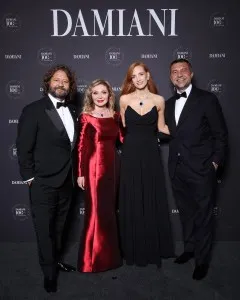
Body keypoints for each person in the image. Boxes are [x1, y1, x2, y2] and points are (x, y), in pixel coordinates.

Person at [164, 58, 228, 280]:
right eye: (175, 71)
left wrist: (214, 163)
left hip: (201, 169)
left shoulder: (207, 99)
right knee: (186, 214)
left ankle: (201, 261)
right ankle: (190, 249)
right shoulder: (169, 103)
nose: (179, 74)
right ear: (170, 76)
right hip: (177, 169)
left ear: (191, 74)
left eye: (183, 70)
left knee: (203, 216)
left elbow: (220, 134)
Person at [16, 65, 78, 293]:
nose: (61, 83)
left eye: (65, 81)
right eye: (57, 79)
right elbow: (23, 148)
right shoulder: (33, 110)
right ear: (48, 83)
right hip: (42, 182)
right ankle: (49, 273)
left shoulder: (73, 111)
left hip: (67, 182)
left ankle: (56, 261)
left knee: (60, 228)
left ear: (70, 86)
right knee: (45, 230)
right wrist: (30, 178)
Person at [118, 61, 175, 267]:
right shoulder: (123, 99)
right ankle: (133, 248)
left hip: (151, 153)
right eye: (134, 76)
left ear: (148, 75)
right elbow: (121, 129)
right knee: (132, 197)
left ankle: (153, 247)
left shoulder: (159, 100)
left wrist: (188, 128)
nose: (138, 79)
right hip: (130, 154)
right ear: (130, 79)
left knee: (151, 195)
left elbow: (162, 128)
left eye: (141, 74)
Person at [77, 79, 123, 272]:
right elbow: (81, 147)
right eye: (95, 93)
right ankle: (90, 261)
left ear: (109, 95)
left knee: (109, 211)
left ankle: (110, 258)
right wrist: (80, 173)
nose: (100, 96)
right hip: (93, 167)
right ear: (90, 95)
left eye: (103, 92)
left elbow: (122, 139)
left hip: (113, 167)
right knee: (95, 211)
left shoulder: (116, 116)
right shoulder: (86, 117)